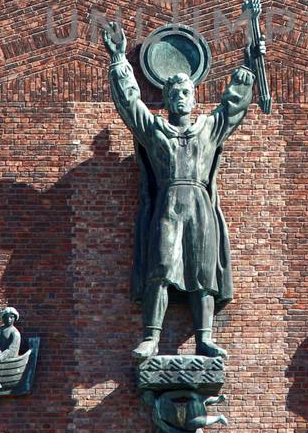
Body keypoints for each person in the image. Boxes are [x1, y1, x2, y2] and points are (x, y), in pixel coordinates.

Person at [102, 23, 256, 359]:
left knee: (203, 269)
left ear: (194, 97)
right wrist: (118, 61)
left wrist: (247, 66)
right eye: (174, 94)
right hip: (169, 204)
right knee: (161, 266)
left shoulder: (208, 129)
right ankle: (151, 337)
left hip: (200, 204)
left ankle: (204, 338)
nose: (180, 98)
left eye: (185, 93)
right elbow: (131, 106)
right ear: (168, 100)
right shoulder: (156, 131)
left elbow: (232, 106)